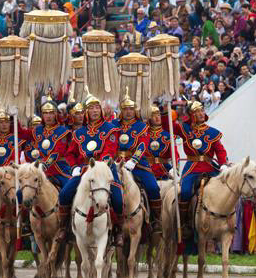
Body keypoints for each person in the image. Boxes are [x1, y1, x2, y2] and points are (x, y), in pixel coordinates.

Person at [58, 92, 124, 246]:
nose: (94, 111)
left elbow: (109, 152)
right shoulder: (78, 133)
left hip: (105, 168)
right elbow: (70, 153)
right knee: (64, 194)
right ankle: (64, 228)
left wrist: (97, 167)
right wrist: (74, 166)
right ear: (86, 112)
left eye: (97, 107)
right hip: (83, 169)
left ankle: (118, 231)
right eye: (91, 108)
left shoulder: (111, 129)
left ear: (101, 110)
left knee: (118, 199)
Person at [165, 101, 228, 234]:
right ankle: (183, 223)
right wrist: (167, 111)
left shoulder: (212, 132)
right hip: (192, 167)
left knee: (225, 188)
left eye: (202, 110)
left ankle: (226, 220)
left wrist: (223, 164)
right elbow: (167, 126)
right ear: (191, 115)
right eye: (197, 111)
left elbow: (220, 151)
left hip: (210, 167)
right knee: (186, 191)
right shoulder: (185, 129)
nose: (201, 113)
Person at [112, 91, 162, 227]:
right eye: (126, 109)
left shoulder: (142, 126)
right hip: (116, 163)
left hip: (138, 164)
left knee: (153, 187)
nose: (129, 112)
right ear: (121, 110)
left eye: (131, 109)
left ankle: (156, 220)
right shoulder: (113, 125)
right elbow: (109, 144)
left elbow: (142, 145)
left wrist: (133, 160)